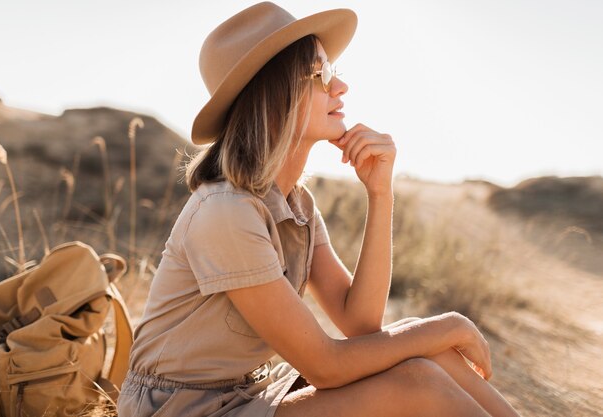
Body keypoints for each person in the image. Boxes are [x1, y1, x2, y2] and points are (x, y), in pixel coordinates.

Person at [117, 2, 521, 416]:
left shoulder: (298, 207)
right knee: (418, 380)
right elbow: (326, 366)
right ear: (273, 97)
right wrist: (450, 325)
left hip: (242, 395)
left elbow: (361, 326)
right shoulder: (225, 213)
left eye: (335, 74)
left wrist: (380, 194)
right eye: (321, 75)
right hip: (179, 408)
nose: (340, 88)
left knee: (431, 358)